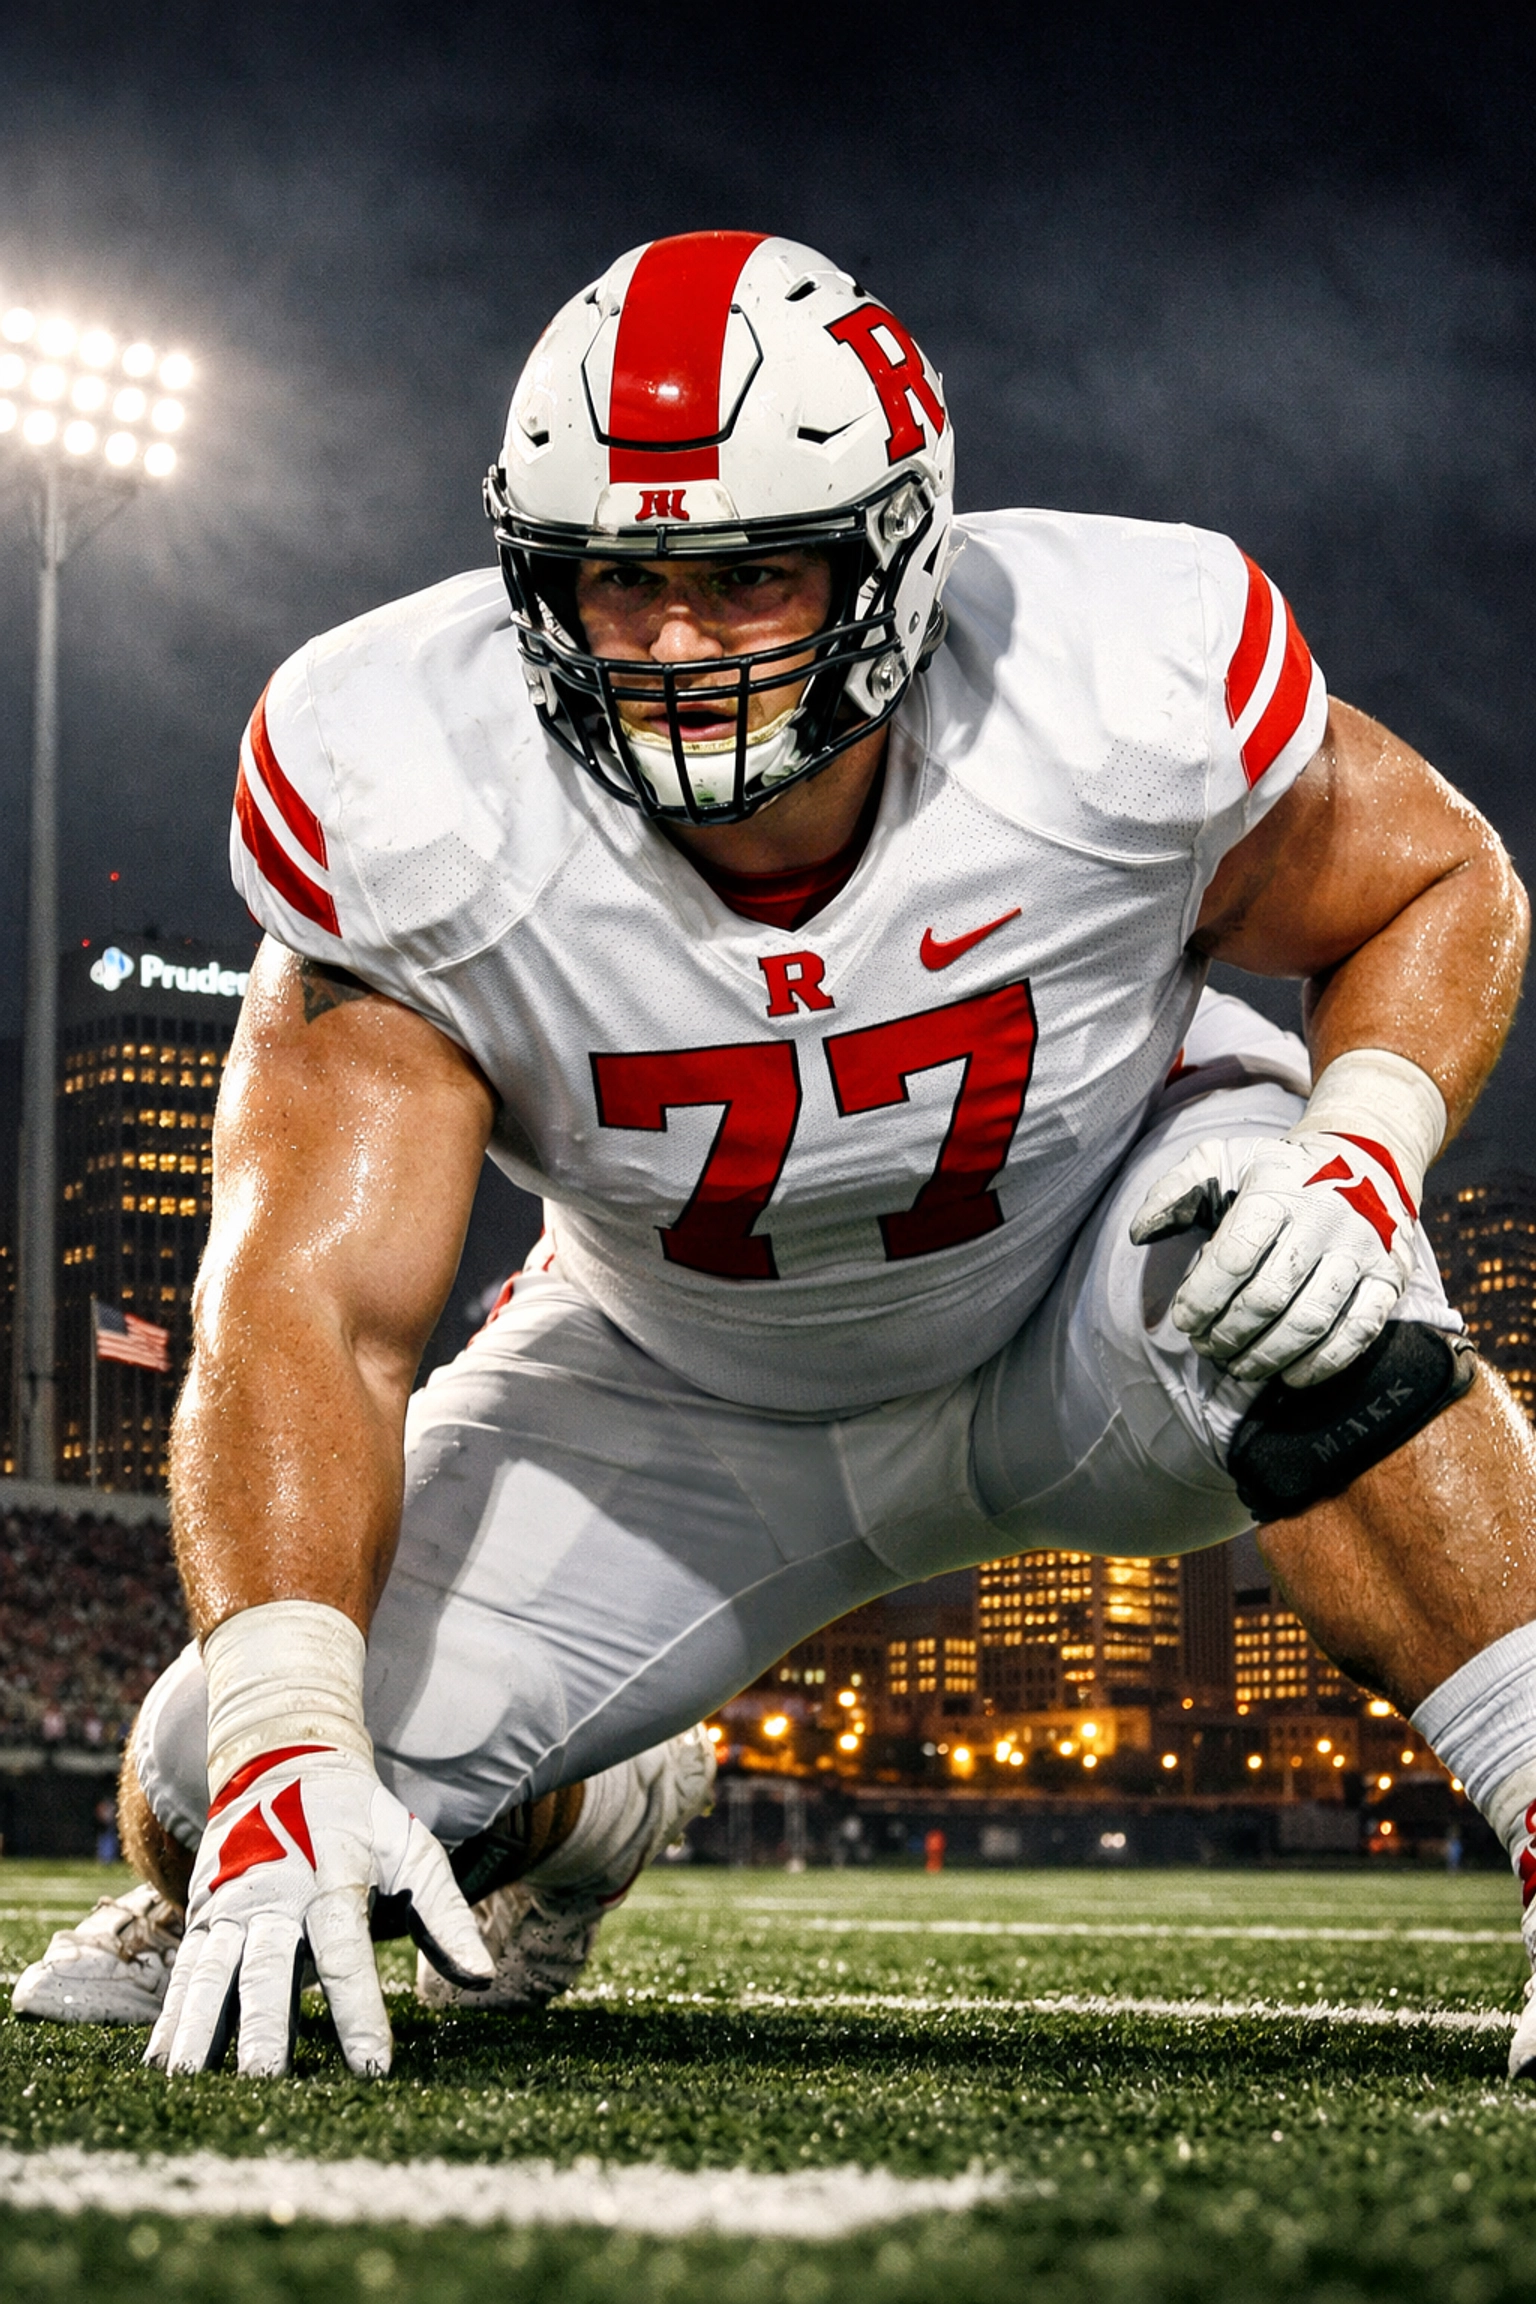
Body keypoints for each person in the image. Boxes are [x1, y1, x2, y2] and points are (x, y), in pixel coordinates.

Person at [15, 230, 1536, 2081]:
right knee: (214, 1771)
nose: (674, 643)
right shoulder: (415, 786)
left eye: (748, 575)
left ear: (896, 555)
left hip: (1099, 1297)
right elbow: (305, 1312)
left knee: (1305, 1279)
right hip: (680, 1393)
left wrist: (1363, 1151)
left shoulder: (1105, 684)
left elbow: (1436, 879)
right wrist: (284, 1748)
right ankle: (604, 1806)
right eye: (621, 578)